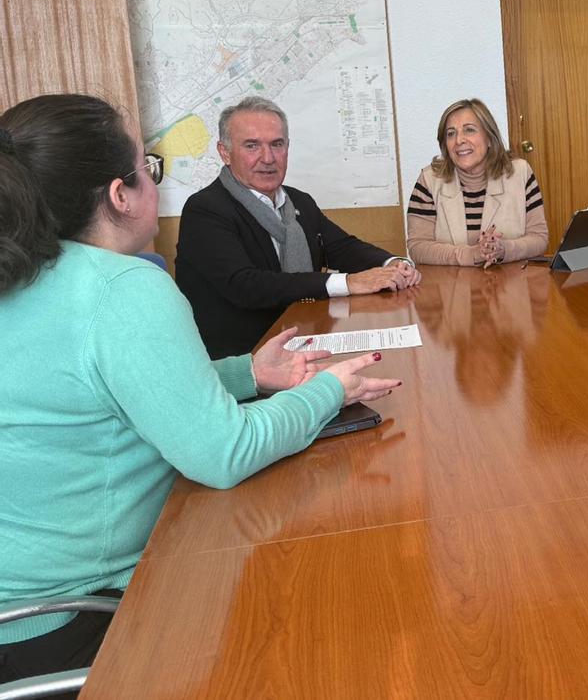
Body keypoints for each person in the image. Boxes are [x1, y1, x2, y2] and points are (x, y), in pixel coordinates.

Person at [0, 94, 400, 684]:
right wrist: (328, 391)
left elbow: (104, 392)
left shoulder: (26, 272)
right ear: (120, 194)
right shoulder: (123, 286)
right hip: (78, 618)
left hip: (19, 610)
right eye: (148, 169)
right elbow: (224, 454)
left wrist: (248, 374)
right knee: (314, 622)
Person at [176, 97, 420, 358]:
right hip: (243, 361)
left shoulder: (298, 201)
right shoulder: (205, 209)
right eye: (252, 146)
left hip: (305, 339)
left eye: (277, 144)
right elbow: (246, 286)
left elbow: (341, 247)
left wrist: (391, 264)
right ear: (225, 152)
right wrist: (346, 282)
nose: (268, 158)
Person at [406, 98, 549, 266]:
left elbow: (539, 238)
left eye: (469, 130)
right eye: (451, 133)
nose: (459, 140)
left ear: (489, 137)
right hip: (450, 288)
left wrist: (504, 249)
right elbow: (417, 247)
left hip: (510, 285)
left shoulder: (520, 173)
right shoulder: (429, 180)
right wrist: (470, 254)